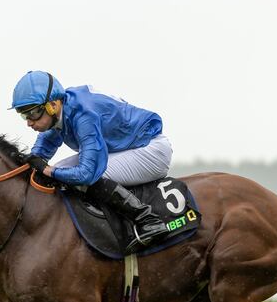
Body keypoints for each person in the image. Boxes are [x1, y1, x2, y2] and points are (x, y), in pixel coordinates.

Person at [11, 70, 172, 253]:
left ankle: (148, 220)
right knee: (60, 170)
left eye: (32, 113)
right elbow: (38, 157)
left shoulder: (83, 115)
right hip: (125, 148)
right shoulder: (61, 111)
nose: (29, 123)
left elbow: (87, 173)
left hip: (151, 150)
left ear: (53, 105)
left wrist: (48, 170)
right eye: (24, 115)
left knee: (85, 175)